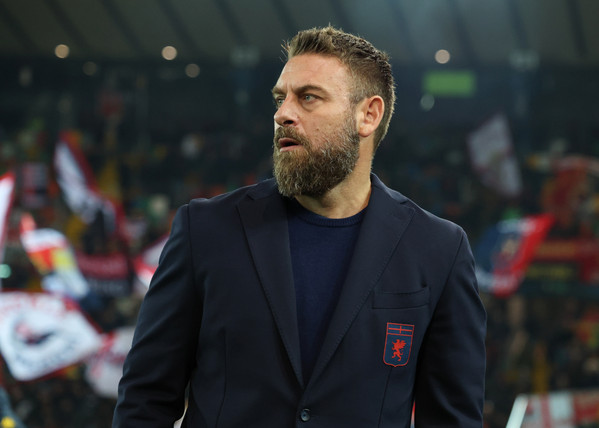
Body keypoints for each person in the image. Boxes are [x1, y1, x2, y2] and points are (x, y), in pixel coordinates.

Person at [113, 26, 486, 427]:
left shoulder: (438, 249)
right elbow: (145, 401)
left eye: (308, 97)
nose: (282, 114)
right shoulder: (205, 230)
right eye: (280, 98)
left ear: (368, 115)